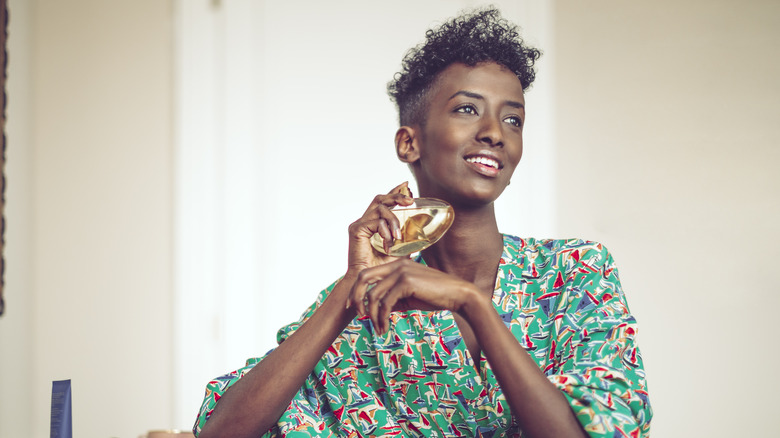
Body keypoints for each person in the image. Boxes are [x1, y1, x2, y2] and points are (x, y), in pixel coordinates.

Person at [194, 7, 652, 438]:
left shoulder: (576, 271)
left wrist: (474, 305)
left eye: (513, 119)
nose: (495, 132)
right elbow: (223, 430)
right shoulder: (371, 302)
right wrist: (350, 288)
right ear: (409, 143)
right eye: (467, 109)